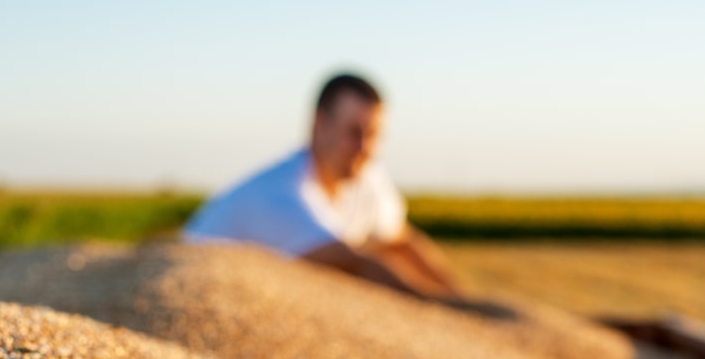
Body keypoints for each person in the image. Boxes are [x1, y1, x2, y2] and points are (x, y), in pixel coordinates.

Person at [184, 73, 513, 315]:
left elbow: (400, 242)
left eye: (373, 135)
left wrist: (462, 300)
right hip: (192, 295)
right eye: (354, 133)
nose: (365, 149)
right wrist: (440, 310)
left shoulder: (366, 179)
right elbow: (350, 263)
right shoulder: (280, 193)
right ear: (319, 124)